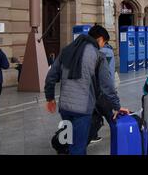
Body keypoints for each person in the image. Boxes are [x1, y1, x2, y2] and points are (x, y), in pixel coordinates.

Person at [44, 25, 129, 155]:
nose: (103, 46)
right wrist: (117, 106)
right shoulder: (98, 56)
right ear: (100, 39)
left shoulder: (66, 50)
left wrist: (50, 98)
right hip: (82, 110)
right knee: (78, 148)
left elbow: (51, 76)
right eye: (104, 43)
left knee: (68, 140)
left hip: (65, 108)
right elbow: (107, 86)